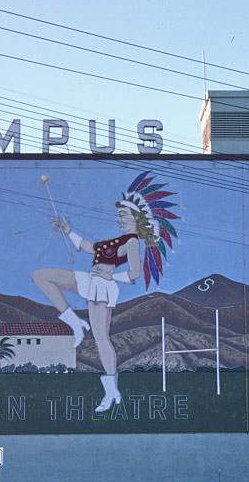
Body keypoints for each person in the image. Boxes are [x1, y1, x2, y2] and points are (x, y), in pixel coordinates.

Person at [32, 172, 178, 413]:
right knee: (41, 276)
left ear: (135, 219)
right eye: (118, 214)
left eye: (123, 214)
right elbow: (90, 248)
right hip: (90, 280)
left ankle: (111, 391)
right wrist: (68, 231)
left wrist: (113, 276)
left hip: (103, 288)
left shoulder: (132, 242)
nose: (118, 217)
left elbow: (133, 274)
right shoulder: (114, 241)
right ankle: (75, 324)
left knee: (101, 338)